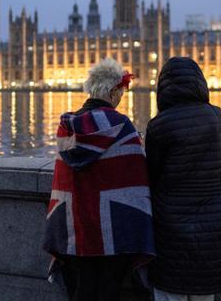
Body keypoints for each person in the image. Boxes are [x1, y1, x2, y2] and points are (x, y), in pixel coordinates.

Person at [43, 58, 155, 301]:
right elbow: (136, 176)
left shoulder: (67, 128)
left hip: (71, 228)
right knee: (108, 292)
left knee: (79, 292)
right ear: (114, 91)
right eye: (121, 93)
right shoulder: (121, 125)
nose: (121, 98)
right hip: (111, 232)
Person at [145, 57, 221, 301]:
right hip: (212, 230)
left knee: (169, 294)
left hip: (170, 232)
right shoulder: (219, 117)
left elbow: (151, 175)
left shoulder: (158, 125)